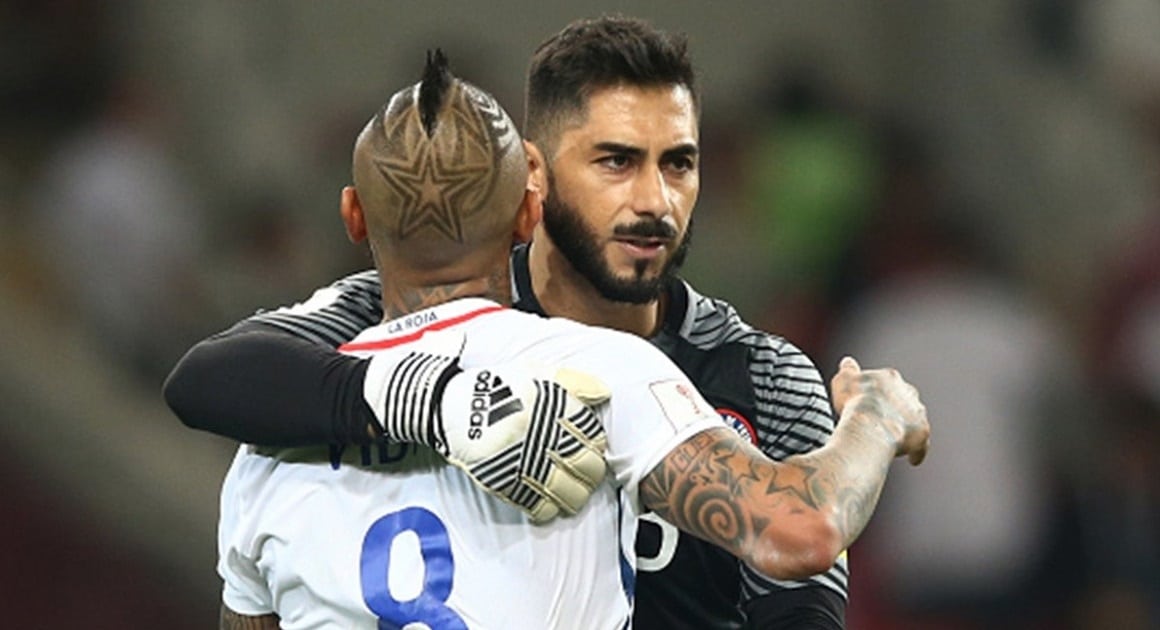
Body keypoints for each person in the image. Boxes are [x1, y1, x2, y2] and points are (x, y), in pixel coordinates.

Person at [167, 16, 919, 629]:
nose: (654, 201)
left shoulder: (767, 376)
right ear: (533, 180)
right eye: (616, 162)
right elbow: (207, 378)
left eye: (679, 164)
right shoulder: (403, 317)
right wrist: (436, 401)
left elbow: (803, 610)